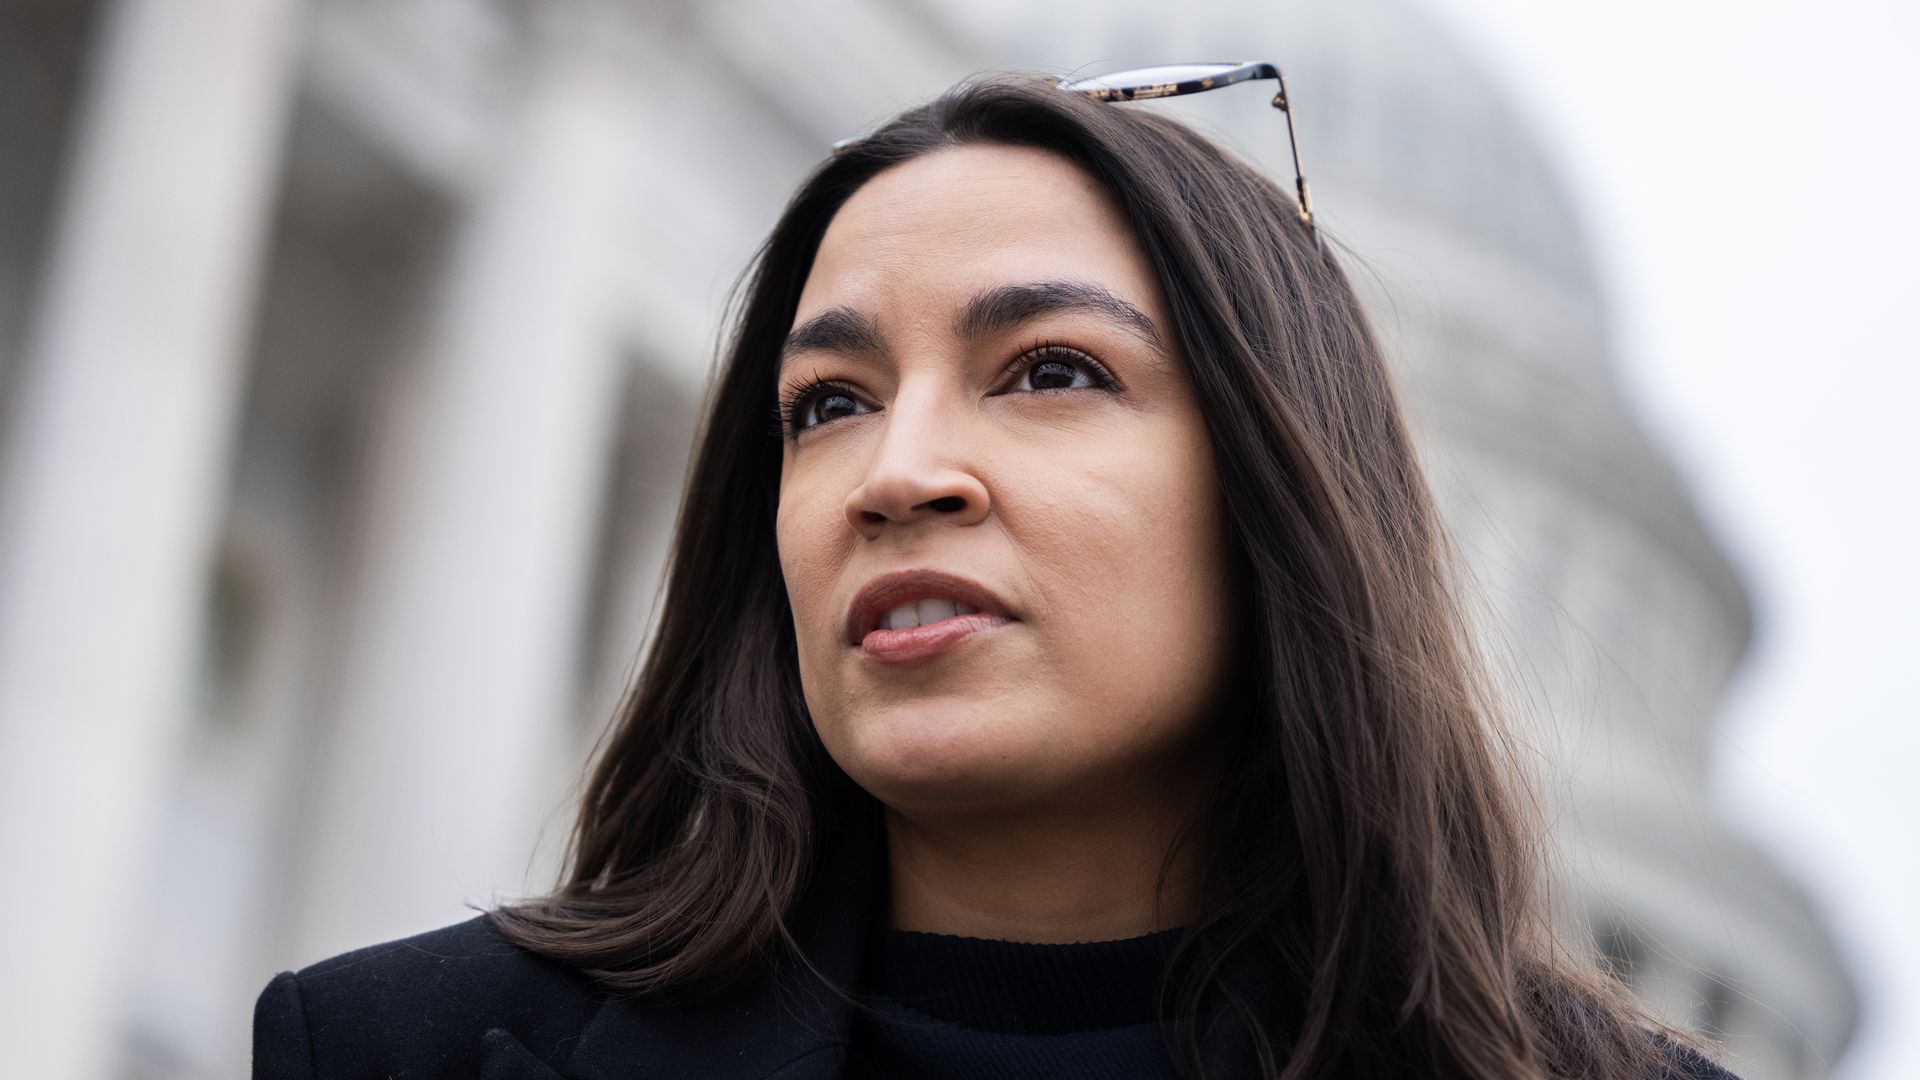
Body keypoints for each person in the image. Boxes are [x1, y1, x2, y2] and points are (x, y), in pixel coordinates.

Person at [251, 70, 1743, 1079]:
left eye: (1047, 370)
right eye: (827, 402)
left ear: (1275, 492)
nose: (899, 474)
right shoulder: (394, 1050)